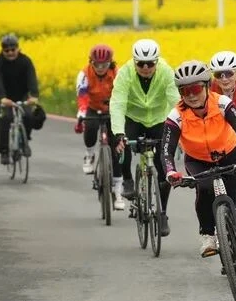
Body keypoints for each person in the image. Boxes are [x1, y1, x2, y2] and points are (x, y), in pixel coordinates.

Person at [162, 60, 236, 298]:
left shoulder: (223, 103)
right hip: (198, 160)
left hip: (231, 155)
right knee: (203, 188)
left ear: (206, 86)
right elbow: (166, 150)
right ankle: (208, 233)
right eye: (185, 91)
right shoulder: (177, 115)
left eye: (195, 89)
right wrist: (171, 171)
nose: (191, 95)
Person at [110, 38, 180, 236]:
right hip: (133, 118)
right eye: (141, 63)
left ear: (157, 61)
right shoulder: (124, 74)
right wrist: (119, 133)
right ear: (134, 62)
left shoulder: (166, 71)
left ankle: (162, 213)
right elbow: (117, 103)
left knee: (164, 167)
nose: (146, 67)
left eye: (151, 63)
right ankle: (127, 180)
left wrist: (183, 130)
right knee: (123, 145)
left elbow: (176, 101)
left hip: (159, 118)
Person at [74, 44, 126, 210]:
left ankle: (118, 190)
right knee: (90, 126)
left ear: (110, 63)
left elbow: (123, 93)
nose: (101, 68)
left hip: (113, 108)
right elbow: (82, 95)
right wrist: (82, 112)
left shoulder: (117, 73)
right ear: (92, 63)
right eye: (97, 64)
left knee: (116, 147)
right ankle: (89, 155)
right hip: (92, 106)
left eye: (105, 65)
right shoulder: (84, 73)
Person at [0, 34, 40, 165]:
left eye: (13, 50)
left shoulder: (26, 61)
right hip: (3, 96)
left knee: (28, 115)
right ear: (2, 51)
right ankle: (4, 152)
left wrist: (34, 96)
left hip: (21, 95)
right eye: (7, 51)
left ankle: (25, 141)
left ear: (18, 48)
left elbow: (32, 80)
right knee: (5, 118)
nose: (10, 53)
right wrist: (2, 98)